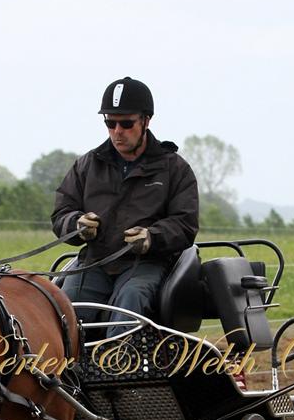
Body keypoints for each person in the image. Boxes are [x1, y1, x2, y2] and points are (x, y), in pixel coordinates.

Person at [51, 76, 199, 337]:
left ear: (146, 121)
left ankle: (118, 367)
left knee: (131, 298)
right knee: (63, 305)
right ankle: (65, 372)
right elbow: (61, 213)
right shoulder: (87, 165)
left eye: (126, 123)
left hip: (146, 264)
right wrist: (77, 225)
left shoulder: (175, 169)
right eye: (110, 122)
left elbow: (185, 224)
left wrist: (151, 237)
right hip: (95, 261)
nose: (117, 130)